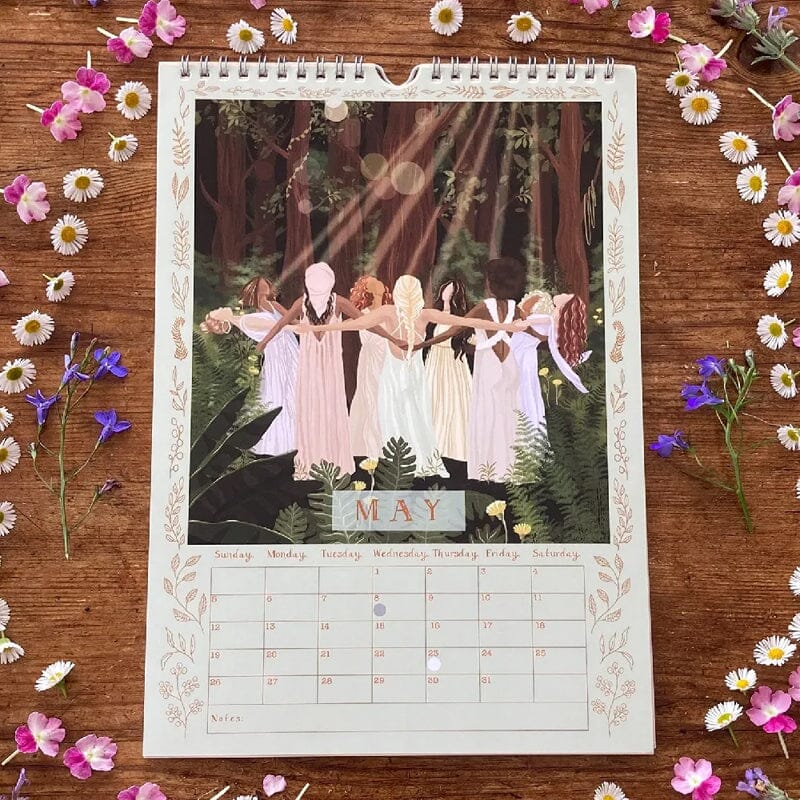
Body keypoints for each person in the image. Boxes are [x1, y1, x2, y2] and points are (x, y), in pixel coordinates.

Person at [301, 274, 522, 477]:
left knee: (394, 417)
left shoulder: (390, 312)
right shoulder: (423, 314)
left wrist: (315, 329)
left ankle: (397, 463)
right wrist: (502, 326)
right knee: (417, 418)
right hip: (413, 375)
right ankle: (414, 461)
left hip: (394, 374)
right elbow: (466, 322)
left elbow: (357, 324)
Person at [254, 262, 391, 478]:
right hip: (309, 366)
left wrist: (392, 338)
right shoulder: (302, 303)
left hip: (330, 367)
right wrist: (263, 343)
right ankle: (309, 462)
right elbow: (280, 324)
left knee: (331, 408)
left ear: (330, 282)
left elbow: (367, 323)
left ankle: (333, 461)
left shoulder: (339, 303)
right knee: (310, 408)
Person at [418, 258, 528, 482]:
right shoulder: (517, 310)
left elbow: (455, 329)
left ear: (492, 282)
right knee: (510, 413)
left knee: (488, 413)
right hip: (511, 365)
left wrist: (424, 344)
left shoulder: (483, 308)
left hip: (489, 365)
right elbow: (529, 333)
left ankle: (488, 469)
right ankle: (511, 468)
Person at [204, 276, 298, 455]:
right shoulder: (250, 319)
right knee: (277, 393)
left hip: (288, 352)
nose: (264, 292)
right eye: (260, 290)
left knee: (289, 391)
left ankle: (292, 442)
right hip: (277, 357)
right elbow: (280, 326)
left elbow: (290, 322)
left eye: (265, 286)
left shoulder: (272, 306)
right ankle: (279, 444)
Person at [510, 290, 589, 432]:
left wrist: (524, 322)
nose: (563, 294)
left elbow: (526, 323)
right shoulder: (553, 318)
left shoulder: (551, 318)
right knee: (524, 390)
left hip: (521, 355)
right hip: (523, 354)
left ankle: (523, 429)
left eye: (566, 296)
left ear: (566, 305)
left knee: (522, 389)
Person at [424, 279, 472, 462]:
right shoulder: (434, 314)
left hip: (453, 362)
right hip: (435, 360)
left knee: (453, 401)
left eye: (451, 291)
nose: (447, 293)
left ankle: (453, 445)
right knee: (433, 398)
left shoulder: (459, 317)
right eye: (445, 289)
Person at [348, 275, 392, 460]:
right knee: (370, 398)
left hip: (387, 359)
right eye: (372, 282)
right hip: (370, 360)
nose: (378, 283)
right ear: (367, 290)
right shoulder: (363, 313)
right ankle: (370, 447)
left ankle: (387, 445)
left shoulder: (389, 311)